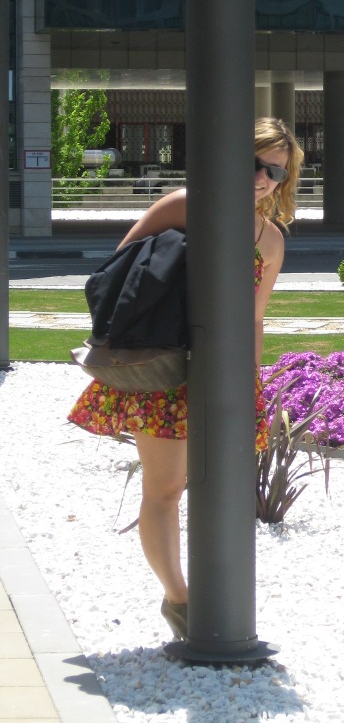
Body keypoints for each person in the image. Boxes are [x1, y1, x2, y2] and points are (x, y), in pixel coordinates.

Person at [68, 117, 304, 640]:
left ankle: (217, 599)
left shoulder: (269, 240)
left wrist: (251, 384)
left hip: (223, 376)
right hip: (164, 371)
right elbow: (118, 276)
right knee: (166, 487)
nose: (264, 178)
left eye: (276, 171)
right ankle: (179, 599)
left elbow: (255, 319)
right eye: (256, 162)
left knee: (221, 486)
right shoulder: (182, 205)